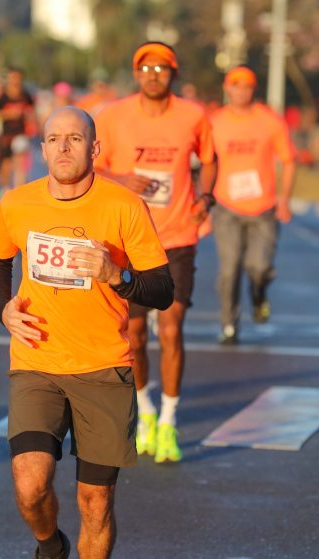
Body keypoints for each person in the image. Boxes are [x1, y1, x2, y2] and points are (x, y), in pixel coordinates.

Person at [0, 106, 173, 559]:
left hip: (103, 368)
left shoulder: (124, 206)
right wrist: (2, 309)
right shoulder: (16, 203)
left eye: (74, 138)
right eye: (53, 139)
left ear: (94, 148)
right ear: (42, 148)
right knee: (30, 486)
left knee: (96, 503)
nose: (63, 147)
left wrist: (117, 275)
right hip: (36, 362)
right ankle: (50, 544)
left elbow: (163, 290)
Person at [95, 42, 217, 463]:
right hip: (130, 241)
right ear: (136, 73)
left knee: (171, 328)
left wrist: (207, 196)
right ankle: (145, 411)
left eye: (161, 67)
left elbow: (210, 159)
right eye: (145, 67)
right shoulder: (113, 116)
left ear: (173, 73)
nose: (153, 73)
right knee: (133, 335)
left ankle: (169, 421)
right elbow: (94, 167)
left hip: (179, 235)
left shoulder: (193, 116)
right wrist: (121, 179)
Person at [209, 66, 297, 345]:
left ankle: (259, 294)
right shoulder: (215, 122)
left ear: (253, 89)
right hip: (226, 207)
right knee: (229, 268)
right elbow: (206, 163)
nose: (241, 91)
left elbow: (289, 160)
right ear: (227, 88)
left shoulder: (270, 121)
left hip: (263, 209)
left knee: (258, 267)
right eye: (236, 86)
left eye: (246, 86)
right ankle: (228, 325)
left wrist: (285, 200)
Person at [0, 68, 37, 198]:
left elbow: (31, 111)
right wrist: (8, 114)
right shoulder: (3, 97)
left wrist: (32, 122)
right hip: (5, 135)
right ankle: (4, 189)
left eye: (18, 78)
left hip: (20, 133)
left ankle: (19, 190)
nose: (15, 81)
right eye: (13, 78)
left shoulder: (25, 95)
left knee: (20, 160)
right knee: (6, 163)